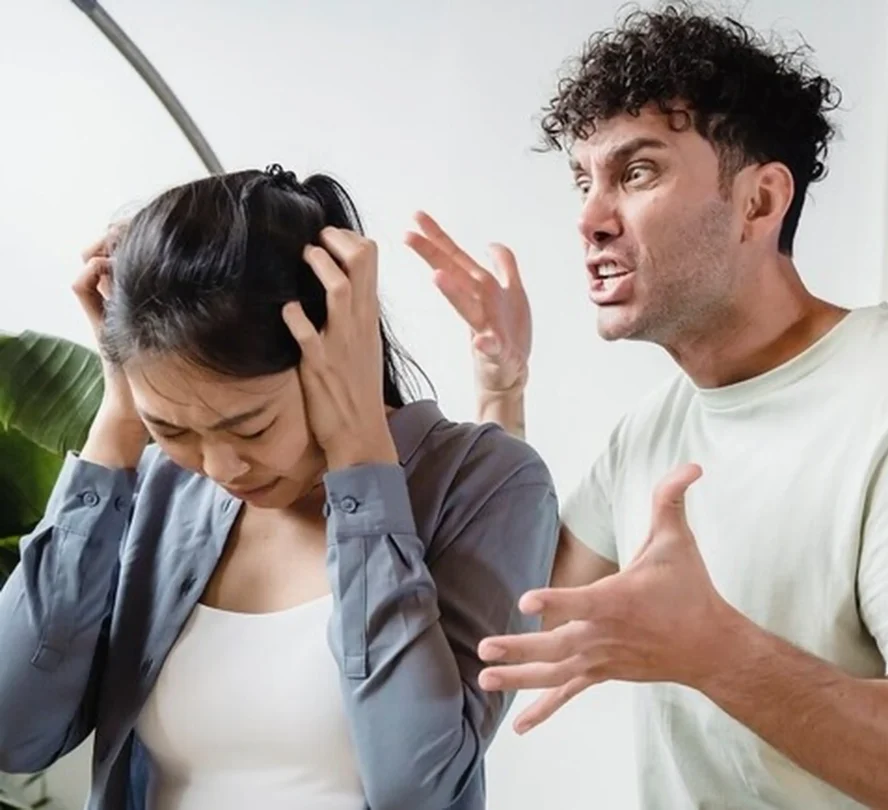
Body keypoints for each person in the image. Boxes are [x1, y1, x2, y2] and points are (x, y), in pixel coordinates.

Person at [405, 6, 888, 810]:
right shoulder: (652, 431)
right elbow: (535, 616)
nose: (590, 219)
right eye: (583, 181)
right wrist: (503, 386)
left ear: (760, 203)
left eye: (637, 173)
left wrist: (717, 653)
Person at [0, 165, 559, 810]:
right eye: (172, 428)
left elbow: (418, 788)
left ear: (333, 347)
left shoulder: (486, 484)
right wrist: (121, 424)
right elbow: (16, 732)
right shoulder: (159, 492)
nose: (220, 466)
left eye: (251, 425)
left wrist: (359, 467)